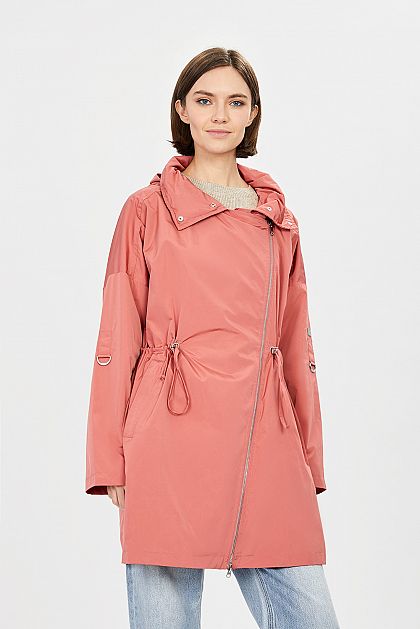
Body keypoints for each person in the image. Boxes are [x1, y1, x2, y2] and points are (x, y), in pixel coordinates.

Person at [84, 47, 341, 628]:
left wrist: (309, 460)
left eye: (235, 102)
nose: (220, 115)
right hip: (166, 434)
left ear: (253, 114)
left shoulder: (278, 218)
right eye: (205, 101)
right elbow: (117, 335)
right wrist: (109, 460)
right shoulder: (146, 210)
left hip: (265, 437)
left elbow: (295, 344)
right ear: (182, 110)